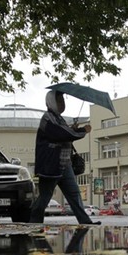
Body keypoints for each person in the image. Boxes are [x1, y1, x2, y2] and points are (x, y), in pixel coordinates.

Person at [29, 90, 100, 225]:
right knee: (45, 197)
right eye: (59, 101)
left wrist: (72, 130)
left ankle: (85, 221)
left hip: (64, 164)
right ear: (51, 102)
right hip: (51, 165)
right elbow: (61, 134)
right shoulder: (47, 118)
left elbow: (64, 134)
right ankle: (34, 222)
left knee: (74, 195)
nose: (62, 104)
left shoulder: (58, 119)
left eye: (63, 101)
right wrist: (81, 130)